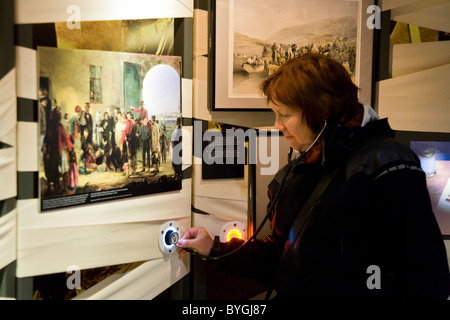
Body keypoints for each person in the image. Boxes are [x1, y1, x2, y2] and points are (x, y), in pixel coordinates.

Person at [177, 53, 450, 300]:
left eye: (284, 114)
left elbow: (426, 278)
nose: (277, 126)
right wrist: (213, 248)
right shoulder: (297, 170)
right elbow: (280, 258)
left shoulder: (389, 164)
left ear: (320, 113)